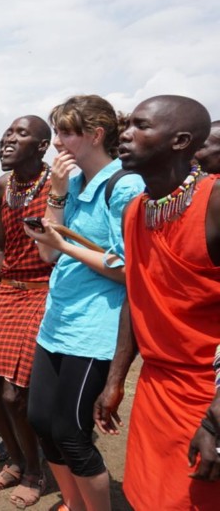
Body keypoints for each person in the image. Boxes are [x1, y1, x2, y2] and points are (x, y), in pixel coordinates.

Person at [93, 95, 220, 509]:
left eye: (141, 126)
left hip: (207, 394)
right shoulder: (135, 210)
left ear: (181, 140)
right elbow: (137, 294)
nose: (125, 134)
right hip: (156, 388)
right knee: (147, 498)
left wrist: (217, 421)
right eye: (126, 124)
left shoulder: (214, 202)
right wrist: (115, 381)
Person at [23, 95, 144, 511]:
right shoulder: (71, 183)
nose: (57, 143)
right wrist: (56, 194)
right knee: (41, 421)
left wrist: (64, 246)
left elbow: (129, 270)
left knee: (72, 432)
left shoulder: (125, 186)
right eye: (57, 132)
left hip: (96, 328)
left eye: (65, 132)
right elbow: (48, 254)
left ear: (95, 134)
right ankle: (74, 505)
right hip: (57, 321)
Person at [0, 116, 52, 507]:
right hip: (6, 291)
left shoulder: (57, 186)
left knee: (16, 393)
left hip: (44, 293)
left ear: (41, 146)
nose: (7, 139)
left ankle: (36, 470)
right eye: (7, 132)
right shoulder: (2, 187)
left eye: (21, 134)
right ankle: (16, 462)